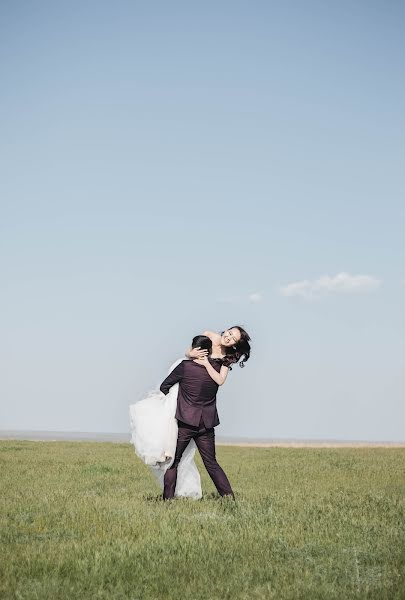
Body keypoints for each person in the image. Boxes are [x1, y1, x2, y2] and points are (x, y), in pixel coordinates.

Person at [128, 326, 251, 499]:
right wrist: (191, 354)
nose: (229, 337)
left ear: (236, 345)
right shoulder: (210, 339)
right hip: (206, 420)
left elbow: (218, 381)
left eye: (234, 338)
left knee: (174, 461)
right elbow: (191, 352)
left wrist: (169, 405)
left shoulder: (192, 366)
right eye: (229, 332)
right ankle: (230, 499)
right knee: (211, 463)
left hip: (187, 420)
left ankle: (168, 501)